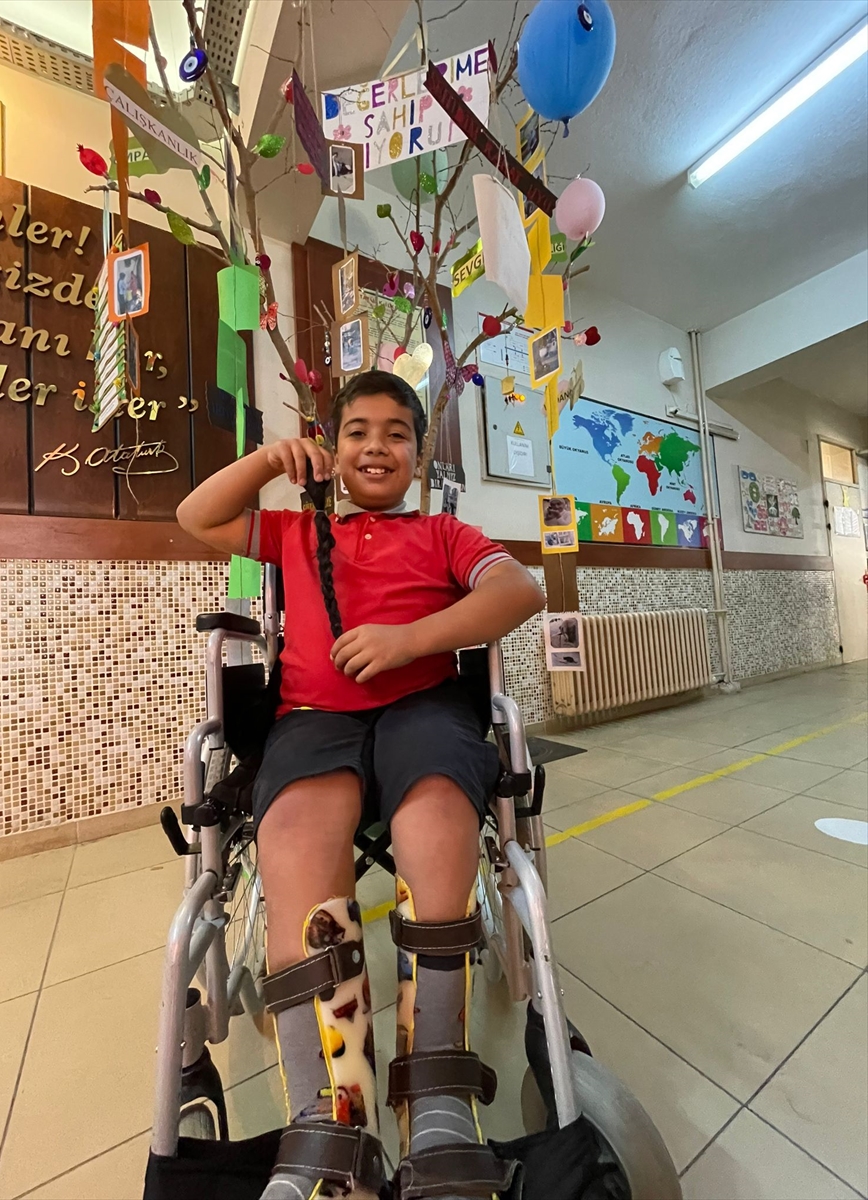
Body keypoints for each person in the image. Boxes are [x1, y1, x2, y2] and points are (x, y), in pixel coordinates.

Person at [176, 370, 545, 1199]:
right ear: (331, 449)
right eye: (357, 432)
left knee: (438, 820)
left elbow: (520, 590)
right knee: (294, 839)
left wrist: (411, 639)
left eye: (396, 433)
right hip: (314, 718)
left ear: (419, 453)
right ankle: (330, 1110)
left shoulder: (445, 533)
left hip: (425, 709)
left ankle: (437, 1097)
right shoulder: (295, 532)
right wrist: (266, 461)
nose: (377, 446)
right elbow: (195, 516)